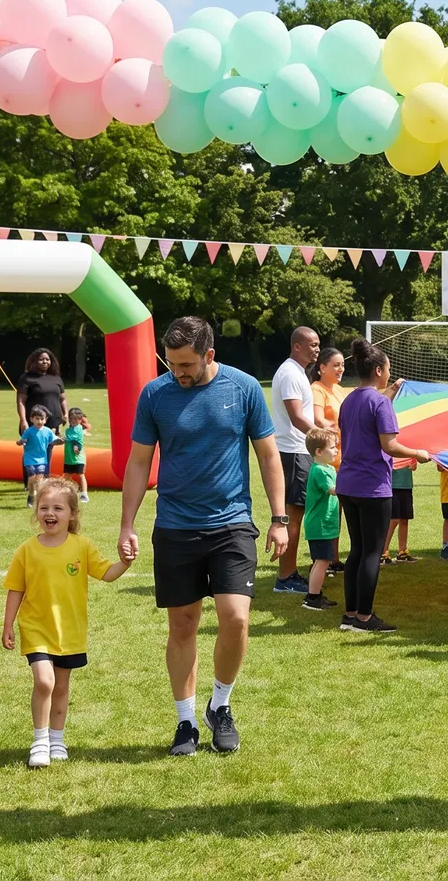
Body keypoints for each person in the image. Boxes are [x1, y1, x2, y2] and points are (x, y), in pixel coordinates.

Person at [117, 316, 287, 757]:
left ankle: (221, 706)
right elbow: (138, 462)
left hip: (231, 522)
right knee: (183, 625)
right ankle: (186, 722)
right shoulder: (155, 394)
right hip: (175, 526)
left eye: (186, 364)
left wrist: (280, 517)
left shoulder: (244, 387)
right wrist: (127, 524)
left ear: (210, 355)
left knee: (236, 618)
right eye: (172, 364)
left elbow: (268, 455)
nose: (178, 372)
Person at [4, 478, 133, 766]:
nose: (50, 513)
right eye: (44, 507)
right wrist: (8, 625)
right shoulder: (27, 550)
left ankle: (57, 740)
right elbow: (16, 588)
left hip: (70, 632)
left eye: (58, 508)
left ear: (73, 514)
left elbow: (106, 573)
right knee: (45, 681)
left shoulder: (82, 546)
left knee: (61, 688)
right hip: (36, 628)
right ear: (36, 511)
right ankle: (39, 741)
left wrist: (124, 563)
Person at [334, 338, 434, 634]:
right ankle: (365, 618)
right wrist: (418, 453)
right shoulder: (379, 403)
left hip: (348, 484)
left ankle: (350, 614)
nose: (389, 372)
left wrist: (387, 395)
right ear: (379, 370)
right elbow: (389, 445)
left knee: (356, 550)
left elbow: (366, 419)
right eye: (388, 368)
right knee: (371, 553)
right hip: (372, 486)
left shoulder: (350, 399)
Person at [270, 327, 321, 594]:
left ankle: (289, 573)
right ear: (297, 346)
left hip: (298, 451)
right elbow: (296, 417)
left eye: (318, 344)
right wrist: (322, 438)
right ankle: (286, 577)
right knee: (293, 516)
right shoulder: (290, 373)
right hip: (292, 452)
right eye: (312, 344)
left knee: (297, 514)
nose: (316, 349)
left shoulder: (298, 372)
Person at [297, 428, 341, 612]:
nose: (336, 450)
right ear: (319, 452)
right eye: (332, 447)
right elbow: (334, 490)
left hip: (324, 524)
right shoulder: (321, 471)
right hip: (320, 525)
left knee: (320, 561)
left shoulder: (328, 468)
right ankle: (313, 598)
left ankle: (315, 594)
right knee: (322, 561)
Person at [16, 348, 68, 437]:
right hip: (35, 423)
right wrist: (23, 420)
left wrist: (65, 414)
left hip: (53, 422)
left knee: (49, 450)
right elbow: (21, 401)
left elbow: (62, 399)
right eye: (41, 359)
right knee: (34, 450)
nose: (45, 362)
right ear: (34, 361)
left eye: (47, 359)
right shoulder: (26, 378)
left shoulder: (56, 378)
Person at [17, 405, 57, 506]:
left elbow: (55, 441)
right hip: (29, 458)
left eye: (42, 419)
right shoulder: (29, 431)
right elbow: (21, 441)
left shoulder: (47, 431)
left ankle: (37, 497)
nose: (39, 421)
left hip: (42, 459)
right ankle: (31, 495)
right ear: (31, 419)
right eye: (37, 419)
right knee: (31, 478)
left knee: (39, 479)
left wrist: (61, 441)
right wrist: (20, 442)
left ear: (45, 419)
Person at [383, 458, 419, 564]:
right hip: (392, 485)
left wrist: (414, 464)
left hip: (406, 485)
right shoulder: (391, 445)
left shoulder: (409, 446)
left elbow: (416, 459)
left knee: (404, 518)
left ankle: (402, 551)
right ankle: (383, 551)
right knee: (393, 519)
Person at [309, 346, 348, 434]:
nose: (341, 369)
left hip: (344, 445)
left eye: (342, 365)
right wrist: (340, 432)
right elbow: (318, 420)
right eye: (336, 365)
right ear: (323, 368)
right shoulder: (316, 389)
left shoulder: (339, 389)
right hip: (331, 444)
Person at [62, 407, 91, 502]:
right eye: (72, 418)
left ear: (80, 419)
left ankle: (84, 494)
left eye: (76, 418)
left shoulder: (79, 428)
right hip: (69, 458)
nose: (74, 420)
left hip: (78, 457)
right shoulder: (68, 430)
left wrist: (76, 447)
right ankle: (68, 490)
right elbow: (68, 438)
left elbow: (76, 440)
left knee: (80, 474)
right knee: (66, 476)